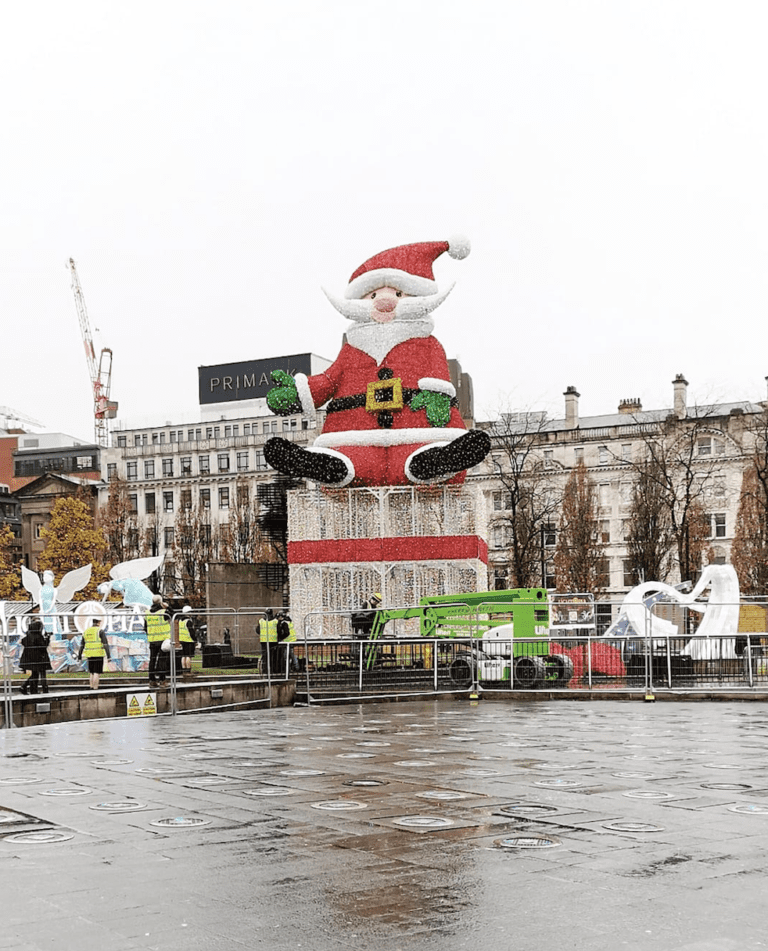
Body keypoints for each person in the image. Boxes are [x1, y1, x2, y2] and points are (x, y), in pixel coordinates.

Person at [263, 237, 490, 488]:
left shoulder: (428, 344)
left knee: (417, 455)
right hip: (354, 436)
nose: (384, 302)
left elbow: (440, 381)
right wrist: (298, 394)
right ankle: (331, 466)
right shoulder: (351, 350)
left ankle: (433, 462)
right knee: (352, 461)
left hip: (418, 431)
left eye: (399, 293)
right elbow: (329, 380)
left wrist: (438, 398)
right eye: (372, 295)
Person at [76, 614, 111, 690]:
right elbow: (105, 644)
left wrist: (79, 656)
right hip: (98, 654)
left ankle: (91, 687)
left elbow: (82, 645)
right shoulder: (100, 631)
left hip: (89, 655)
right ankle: (95, 688)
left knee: (91, 672)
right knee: (96, 672)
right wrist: (108, 656)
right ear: (98, 623)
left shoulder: (86, 631)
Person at [18, 616, 52, 695]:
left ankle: (31, 689)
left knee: (34, 674)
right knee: (37, 674)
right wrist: (47, 638)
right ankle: (30, 688)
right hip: (39, 659)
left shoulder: (28, 636)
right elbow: (43, 646)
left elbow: (23, 642)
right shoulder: (38, 636)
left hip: (30, 659)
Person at [146, 594, 171, 688]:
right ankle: (162, 680)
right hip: (163, 640)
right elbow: (175, 616)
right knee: (162, 660)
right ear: (161, 602)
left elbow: (145, 627)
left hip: (152, 640)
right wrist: (168, 607)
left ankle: (152, 680)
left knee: (152, 660)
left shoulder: (147, 613)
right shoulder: (164, 612)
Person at [275, 609, 297, 676]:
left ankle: (290, 668)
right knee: (292, 655)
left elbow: (286, 633)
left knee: (286, 656)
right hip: (292, 640)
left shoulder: (284, 623)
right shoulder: (289, 621)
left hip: (287, 641)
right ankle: (295, 667)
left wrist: (281, 638)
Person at [178, 605, 198, 678]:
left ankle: (184, 670)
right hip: (189, 640)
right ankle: (188, 670)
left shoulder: (180, 621)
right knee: (188, 656)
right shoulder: (188, 621)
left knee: (183, 656)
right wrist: (195, 640)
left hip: (182, 640)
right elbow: (191, 632)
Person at [258, 609, 277, 674]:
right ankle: (272, 671)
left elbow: (257, 630)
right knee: (272, 657)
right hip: (273, 641)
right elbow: (279, 630)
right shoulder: (275, 621)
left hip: (264, 641)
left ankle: (265, 670)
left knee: (265, 657)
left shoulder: (261, 621)